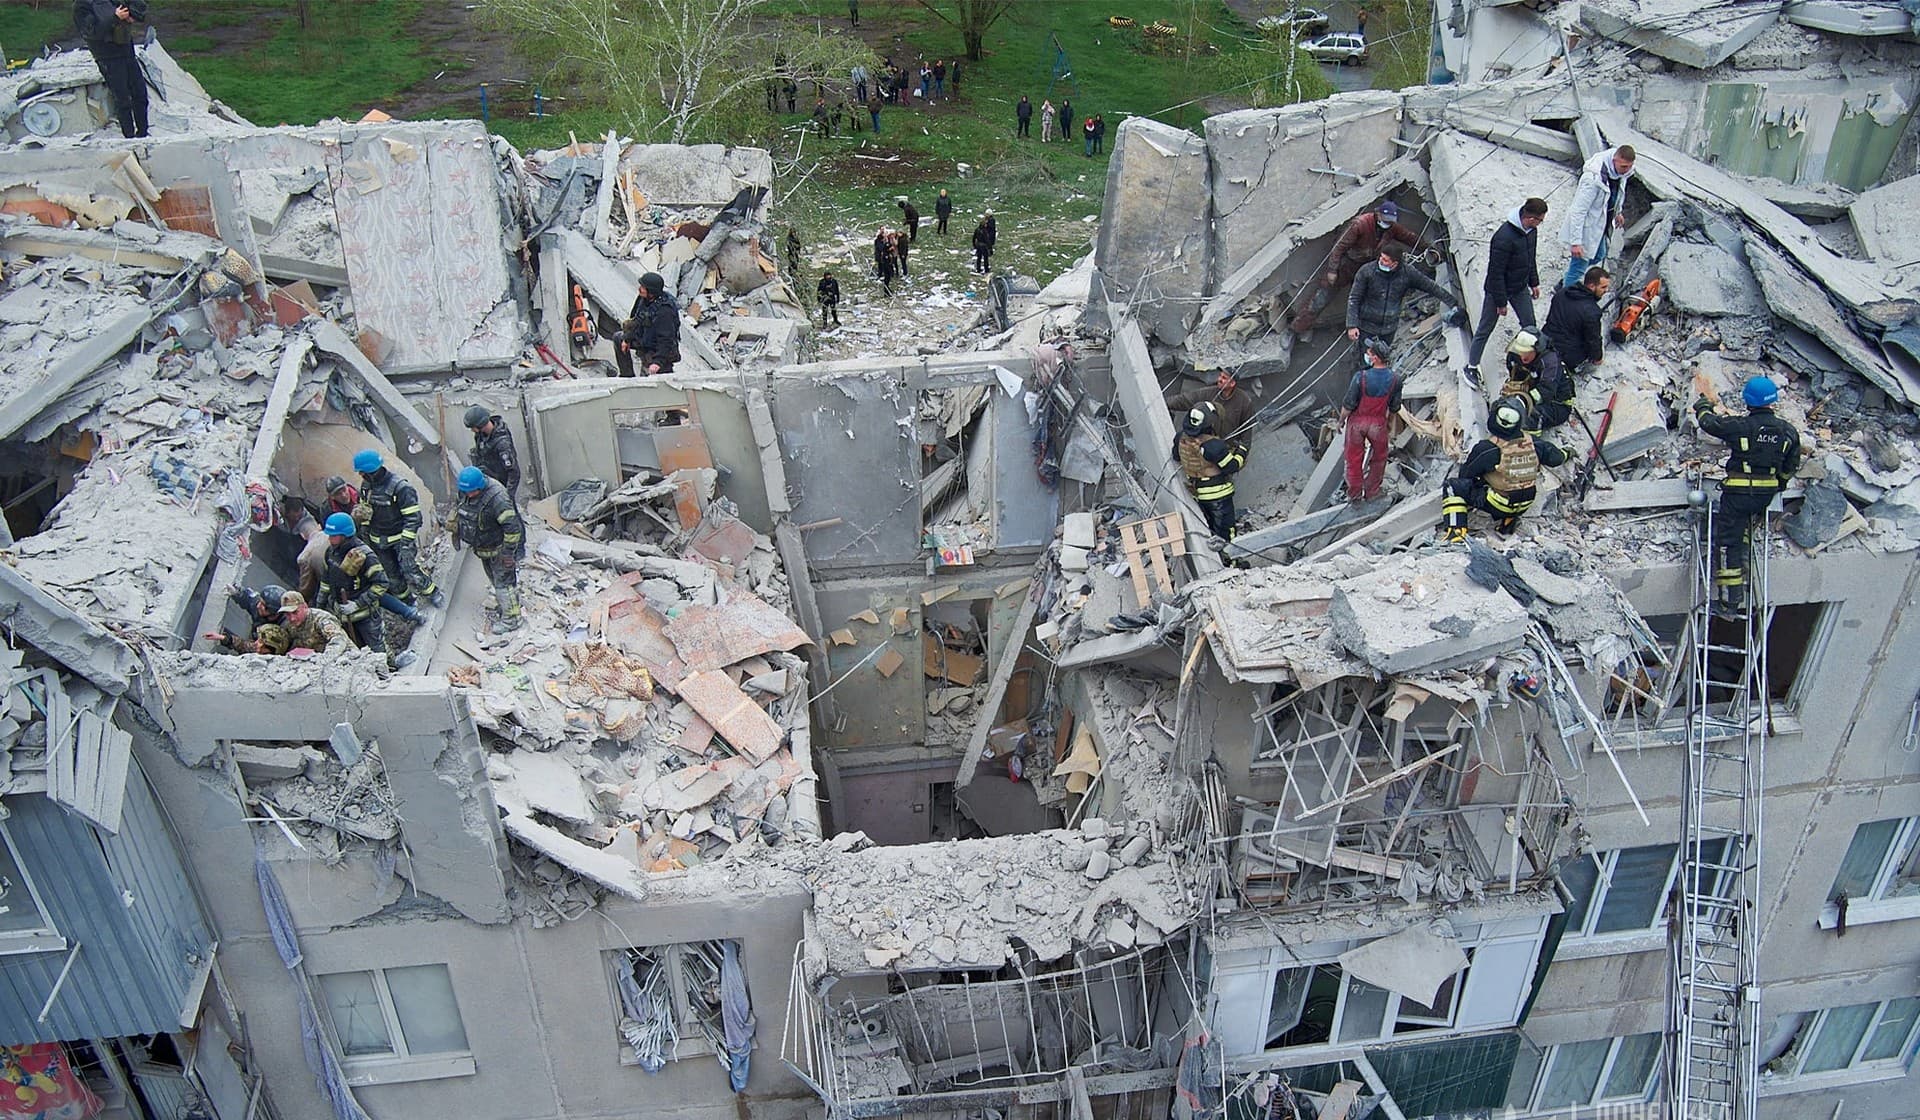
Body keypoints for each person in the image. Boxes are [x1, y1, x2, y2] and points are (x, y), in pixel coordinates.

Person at [1693, 375, 1801, 613]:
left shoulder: (1741, 426)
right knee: (1741, 530)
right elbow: (1791, 466)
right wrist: (1778, 487)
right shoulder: (1788, 431)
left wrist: (1703, 404)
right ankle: (1743, 557)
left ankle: (1730, 601)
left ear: (1748, 401)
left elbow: (1709, 423)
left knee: (1727, 542)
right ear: (1772, 401)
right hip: (1764, 496)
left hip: (1737, 494)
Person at [1440, 395, 1569, 541]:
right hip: (1525, 503)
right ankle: (1507, 525)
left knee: (1453, 486)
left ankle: (1456, 531)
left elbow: (1466, 474)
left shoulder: (1488, 448)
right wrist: (1568, 452)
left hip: (1499, 504)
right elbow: (1557, 458)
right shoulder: (1533, 443)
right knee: (1512, 483)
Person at [1291, 200, 1430, 335]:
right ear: (1378, 214)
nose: (1387, 224)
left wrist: (1428, 249)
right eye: (1385, 220)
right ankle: (1296, 328)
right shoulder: (1360, 224)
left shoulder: (1392, 227)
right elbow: (1339, 247)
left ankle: (1362, 332)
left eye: (1390, 221)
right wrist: (1332, 270)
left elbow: (1409, 237)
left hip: (1367, 267)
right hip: (1346, 265)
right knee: (1320, 299)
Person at [1464, 197, 1548, 385]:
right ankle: (1471, 366)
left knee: (1530, 325)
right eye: (1540, 220)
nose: (1540, 224)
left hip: (1519, 287)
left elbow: (1530, 258)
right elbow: (1495, 272)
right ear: (1530, 218)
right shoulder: (1503, 238)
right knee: (1485, 328)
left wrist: (1534, 282)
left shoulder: (1531, 232)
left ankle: (1528, 361)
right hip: (1497, 290)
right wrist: (1501, 302)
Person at [319, 513, 416, 668]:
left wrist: (357, 604)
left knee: (378, 650)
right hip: (343, 614)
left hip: (365, 615)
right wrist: (320, 605)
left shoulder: (365, 555)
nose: (330, 539)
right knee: (353, 650)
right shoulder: (330, 553)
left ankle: (391, 669)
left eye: (333, 536)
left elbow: (381, 583)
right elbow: (326, 581)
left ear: (345, 535)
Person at [1345, 242, 1463, 365]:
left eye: (1385, 260)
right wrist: (1352, 325)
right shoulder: (1367, 271)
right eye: (1381, 257)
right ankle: (1361, 376)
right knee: (1365, 357)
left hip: (1389, 327)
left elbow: (1430, 286)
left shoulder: (1407, 273)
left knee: (1381, 357)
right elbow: (1354, 298)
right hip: (1367, 325)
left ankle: (1378, 378)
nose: (1380, 261)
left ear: (1394, 263)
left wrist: (1452, 302)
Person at [354, 449, 444, 609]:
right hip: (378, 542)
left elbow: (413, 518)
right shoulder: (366, 486)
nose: (361, 475)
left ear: (372, 471)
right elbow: (365, 510)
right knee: (392, 576)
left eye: (362, 472)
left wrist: (405, 543)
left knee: (410, 570)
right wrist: (365, 534)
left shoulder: (400, 488)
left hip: (399, 539)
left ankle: (432, 592)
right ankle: (408, 601)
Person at [453, 467, 526, 634]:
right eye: (466, 492)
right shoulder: (465, 491)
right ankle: (507, 607)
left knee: (504, 585)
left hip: (499, 549)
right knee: (495, 580)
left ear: (480, 486)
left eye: (472, 492)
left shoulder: (498, 498)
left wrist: (508, 553)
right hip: (483, 548)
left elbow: (513, 528)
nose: (469, 495)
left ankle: (512, 620)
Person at [1562, 145, 1635, 290]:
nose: (1627, 170)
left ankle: (1567, 279)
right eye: (1624, 166)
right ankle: (1565, 299)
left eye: (1629, 167)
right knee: (1578, 268)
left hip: (1600, 226)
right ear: (1615, 160)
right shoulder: (1593, 178)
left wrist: (1617, 212)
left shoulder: (1621, 174)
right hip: (1586, 229)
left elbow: (1616, 194)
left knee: (1599, 254)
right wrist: (1576, 242)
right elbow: (1578, 211)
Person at [74, 0, 149, 139]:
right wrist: (114, 18)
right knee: (122, 99)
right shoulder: (82, 7)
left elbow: (136, 7)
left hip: (126, 51)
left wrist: (130, 15)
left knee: (140, 94)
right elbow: (92, 32)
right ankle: (129, 137)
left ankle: (143, 133)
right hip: (108, 57)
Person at [1340, 338, 1401, 501]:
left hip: (1357, 424)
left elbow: (1348, 404)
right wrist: (1387, 425)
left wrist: (1341, 421)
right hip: (1377, 423)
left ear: (1375, 358)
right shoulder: (1395, 380)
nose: (1366, 354)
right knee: (1380, 458)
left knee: (1353, 459)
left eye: (1369, 352)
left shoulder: (1361, 377)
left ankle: (1354, 495)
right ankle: (1372, 491)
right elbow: (1394, 407)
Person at [1175, 407, 1245, 544]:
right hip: (1218, 495)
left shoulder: (1180, 438)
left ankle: (1219, 557)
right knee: (1225, 531)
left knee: (1210, 527)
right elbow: (1231, 467)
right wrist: (1242, 451)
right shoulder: (1213, 446)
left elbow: (1176, 456)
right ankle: (1231, 561)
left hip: (1197, 493)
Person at [1167, 368, 1257, 462]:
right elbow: (1185, 400)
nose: (1219, 379)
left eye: (1224, 378)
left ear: (1232, 383)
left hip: (1226, 448)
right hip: (1205, 445)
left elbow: (1247, 430)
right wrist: (1165, 403)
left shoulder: (1244, 402)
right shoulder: (1210, 393)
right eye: (1220, 376)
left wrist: (1241, 455)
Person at [1497, 331, 1574, 432]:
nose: (1522, 357)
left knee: (1529, 417)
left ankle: (1527, 439)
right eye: (1520, 352)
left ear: (1536, 350)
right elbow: (1514, 371)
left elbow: (1546, 391)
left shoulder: (1550, 363)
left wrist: (1524, 400)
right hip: (1532, 389)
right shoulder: (1516, 354)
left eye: (1526, 352)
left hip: (1556, 403)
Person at [1542, 266, 1610, 371]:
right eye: (1603, 287)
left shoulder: (1562, 293)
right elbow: (1593, 340)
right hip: (1566, 354)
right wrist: (1597, 357)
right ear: (1592, 286)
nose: (1606, 290)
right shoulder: (1592, 311)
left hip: (1545, 341)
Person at [617, 271, 680, 377]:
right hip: (644, 339)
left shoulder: (665, 311)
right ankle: (627, 376)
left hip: (658, 348)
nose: (639, 289)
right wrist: (627, 339)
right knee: (618, 338)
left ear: (651, 291)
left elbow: (666, 339)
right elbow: (636, 321)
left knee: (652, 377)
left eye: (643, 287)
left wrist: (658, 362)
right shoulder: (643, 299)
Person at [205, 584, 288, 655]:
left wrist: (226, 639)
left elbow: (253, 649)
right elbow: (249, 599)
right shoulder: (260, 608)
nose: (258, 606)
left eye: (263, 605)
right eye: (260, 601)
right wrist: (237, 593)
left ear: (274, 612)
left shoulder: (279, 633)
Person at [463, 406, 521, 500]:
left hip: (499, 485)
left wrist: (507, 496)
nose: (472, 430)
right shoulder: (481, 435)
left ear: (480, 425)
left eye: (472, 427)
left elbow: (514, 472)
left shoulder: (502, 443)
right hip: (487, 481)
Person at [276, 590, 353, 656]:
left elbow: (339, 639)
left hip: (347, 658)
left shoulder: (321, 619)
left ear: (305, 606)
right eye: (287, 614)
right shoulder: (289, 625)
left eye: (295, 612)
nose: (292, 618)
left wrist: (324, 659)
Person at [874, 228, 897, 295]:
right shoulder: (882, 244)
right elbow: (884, 249)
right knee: (887, 277)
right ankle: (886, 290)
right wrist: (889, 249)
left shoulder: (886, 243)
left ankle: (887, 289)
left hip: (888, 261)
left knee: (888, 277)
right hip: (886, 263)